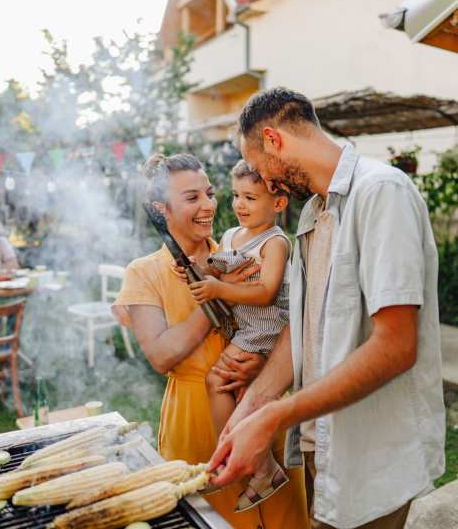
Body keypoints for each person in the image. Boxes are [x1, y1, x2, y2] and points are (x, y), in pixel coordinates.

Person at [209, 87, 445, 529]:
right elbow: (305, 326)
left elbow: (395, 346)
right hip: (325, 445)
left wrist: (278, 414)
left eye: (262, 170)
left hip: (374, 455)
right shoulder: (313, 212)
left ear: (274, 139)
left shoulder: (382, 192)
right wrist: (254, 406)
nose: (268, 185)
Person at [112, 153, 309, 529]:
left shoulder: (246, 250)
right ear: (161, 208)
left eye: (209, 192)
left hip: (264, 406)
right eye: (191, 198)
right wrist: (218, 296)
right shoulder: (143, 273)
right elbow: (162, 355)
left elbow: (287, 318)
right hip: (198, 422)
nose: (208, 206)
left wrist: (265, 364)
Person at [182, 159, 292, 511]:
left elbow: (266, 292)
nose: (239, 205)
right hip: (242, 328)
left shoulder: (275, 243)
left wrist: (218, 290)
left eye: (250, 197)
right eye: (235, 196)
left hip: (265, 328)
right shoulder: (230, 236)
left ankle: (232, 460)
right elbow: (218, 268)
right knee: (241, 392)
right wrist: (197, 271)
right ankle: (261, 469)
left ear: (278, 203)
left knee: (217, 382)